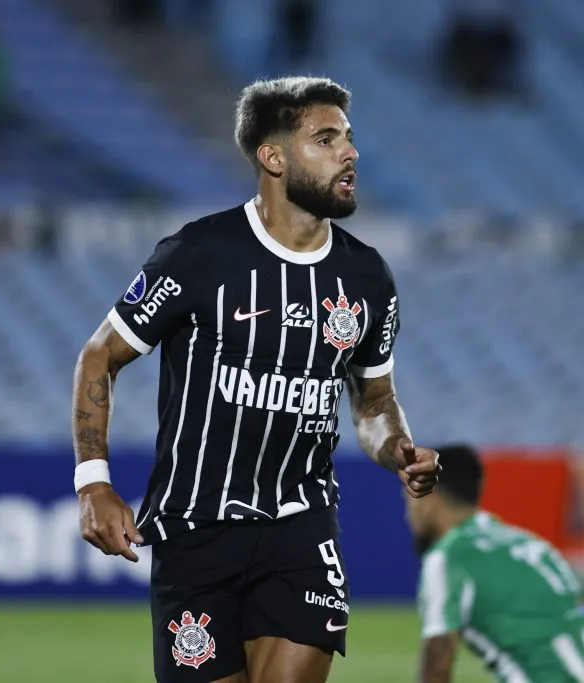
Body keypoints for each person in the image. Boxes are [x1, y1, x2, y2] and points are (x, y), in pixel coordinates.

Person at [71, 76, 442, 683]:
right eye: (326, 139)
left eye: (348, 138)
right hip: (197, 530)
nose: (349, 152)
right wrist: (93, 484)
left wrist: (397, 448)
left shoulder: (367, 278)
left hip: (302, 525)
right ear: (273, 158)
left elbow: (375, 403)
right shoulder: (199, 253)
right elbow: (98, 357)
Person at [408, 445, 584, 682]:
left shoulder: (448, 558)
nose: (409, 512)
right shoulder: (532, 545)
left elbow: (436, 670)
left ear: (431, 499)